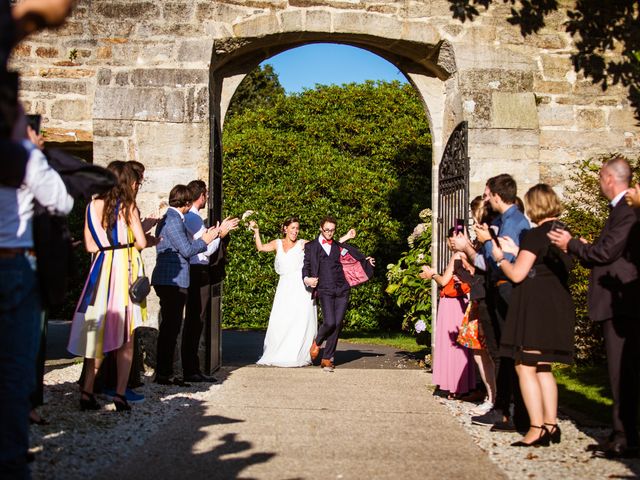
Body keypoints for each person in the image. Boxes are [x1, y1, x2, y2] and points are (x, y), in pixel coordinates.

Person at [549, 155, 640, 458]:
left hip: (622, 305)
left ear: (611, 178)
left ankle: (625, 437)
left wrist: (573, 244)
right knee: (619, 372)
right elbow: (606, 251)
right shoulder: (620, 211)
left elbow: (606, 252)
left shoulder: (626, 212)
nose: (600, 182)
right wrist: (585, 247)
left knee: (620, 373)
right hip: (617, 302)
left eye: (601, 176)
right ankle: (621, 432)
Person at [490, 184, 575, 447]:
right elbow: (541, 263)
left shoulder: (535, 234)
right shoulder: (563, 232)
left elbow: (517, 274)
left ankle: (536, 427)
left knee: (524, 365)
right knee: (544, 367)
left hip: (535, 308)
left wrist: (501, 257)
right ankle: (551, 424)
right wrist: (518, 253)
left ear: (535, 205)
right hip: (558, 305)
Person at [451, 174, 531, 433]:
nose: (485, 199)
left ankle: (511, 411)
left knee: (505, 354)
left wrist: (476, 246)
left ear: (496, 196)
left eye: (487, 195)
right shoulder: (501, 221)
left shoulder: (512, 222)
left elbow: (497, 262)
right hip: (495, 291)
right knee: (502, 353)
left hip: (505, 291)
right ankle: (505, 409)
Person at [67, 162, 148, 412]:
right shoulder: (129, 206)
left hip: (101, 269)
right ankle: (120, 395)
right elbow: (142, 243)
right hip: (124, 269)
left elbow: (90, 246)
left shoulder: (92, 205)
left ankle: (87, 391)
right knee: (126, 336)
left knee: (96, 333)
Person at [250, 218, 355, 367]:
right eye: (292, 228)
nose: (295, 231)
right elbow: (260, 247)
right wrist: (256, 231)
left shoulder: (303, 244)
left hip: (301, 290)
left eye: (297, 228)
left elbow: (327, 246)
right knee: (282, 321)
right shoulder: (277, 243)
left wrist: (346, 237)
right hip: (284, 289)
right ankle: (280, 352)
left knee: (299, 322)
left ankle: (300, 353)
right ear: (285, 229)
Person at [152, 184, 220, 386]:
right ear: (187, 202)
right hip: (171, 281)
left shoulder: (172, 219)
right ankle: (163, 374)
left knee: (171, 328)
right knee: (170, 329)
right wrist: (207, 239)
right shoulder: (172, 220)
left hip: (172, 280)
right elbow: (187, 249)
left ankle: (166, 373)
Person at [303, 216, 374, 371]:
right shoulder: (311, 246)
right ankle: (317, 342)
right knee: (330, 322)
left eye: (332, 230)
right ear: (321, 228)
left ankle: (327, 358)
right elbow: (306, 267)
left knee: (337, 324)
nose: (329, 233)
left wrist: (366, 260)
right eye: (327, 230)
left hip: (342, 289)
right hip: (325, 289)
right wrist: (307, 279)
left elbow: (352, 258)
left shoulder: (338, 246)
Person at [183, 180, 238, 381]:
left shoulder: (192, 217)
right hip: (197, 270)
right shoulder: (194, 218)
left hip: (197, 270)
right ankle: (191, 368)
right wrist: (220, 234)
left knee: (196, 320)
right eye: (206, 194)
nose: (207, 198)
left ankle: (193, 367)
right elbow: (205, 248)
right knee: (196, 319)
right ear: (202, 196)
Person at [420, 229, 475, 398]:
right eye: (450, 238)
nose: (451, 241)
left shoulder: (457, 255)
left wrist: (432, 274)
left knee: (453, 346)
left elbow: (444, 281)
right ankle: (462, 385)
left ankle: (454, 386)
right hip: (460, 302)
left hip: (451, 303)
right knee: (460, 346)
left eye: (454, 238)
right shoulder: (465, 255)